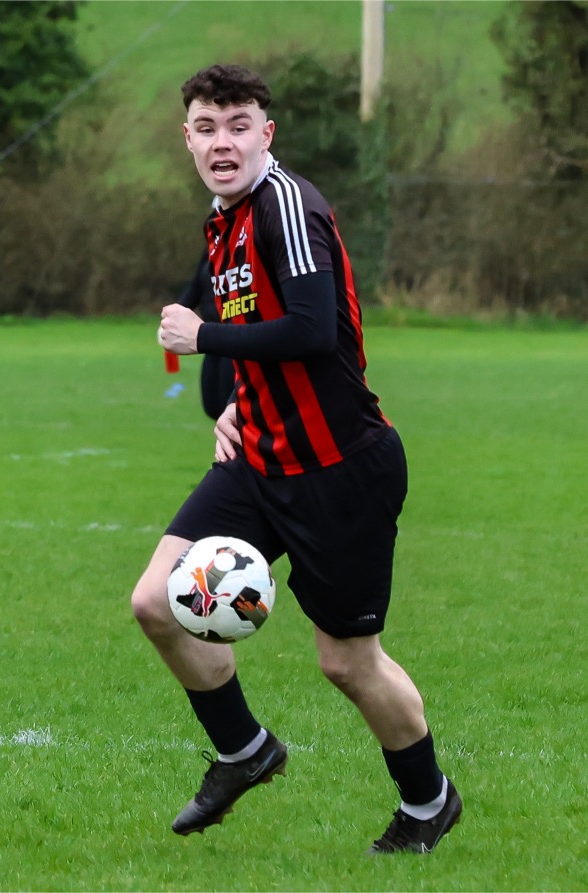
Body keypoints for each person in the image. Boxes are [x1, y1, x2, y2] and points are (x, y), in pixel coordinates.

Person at [132, 63, 462, 855]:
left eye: (238, 125)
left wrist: (201, 335)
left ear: (265, 134)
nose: (222, 142)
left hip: (339, 470)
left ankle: (428, 801)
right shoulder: (224, 219)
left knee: (346, 662)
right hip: (260, 458)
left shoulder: (285, 204)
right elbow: (270, 334)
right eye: (206, 127)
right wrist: (234, 402)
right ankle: (245, 751)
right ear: (186, 139)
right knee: (155, 601)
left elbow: (314, 330)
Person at [178, 247, 235, 420]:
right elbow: (197, 284)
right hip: (210, 338)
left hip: (236, 339)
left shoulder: (248, 242)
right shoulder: (213, 243)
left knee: (229, 405)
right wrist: (176, 313)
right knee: (212, 406)